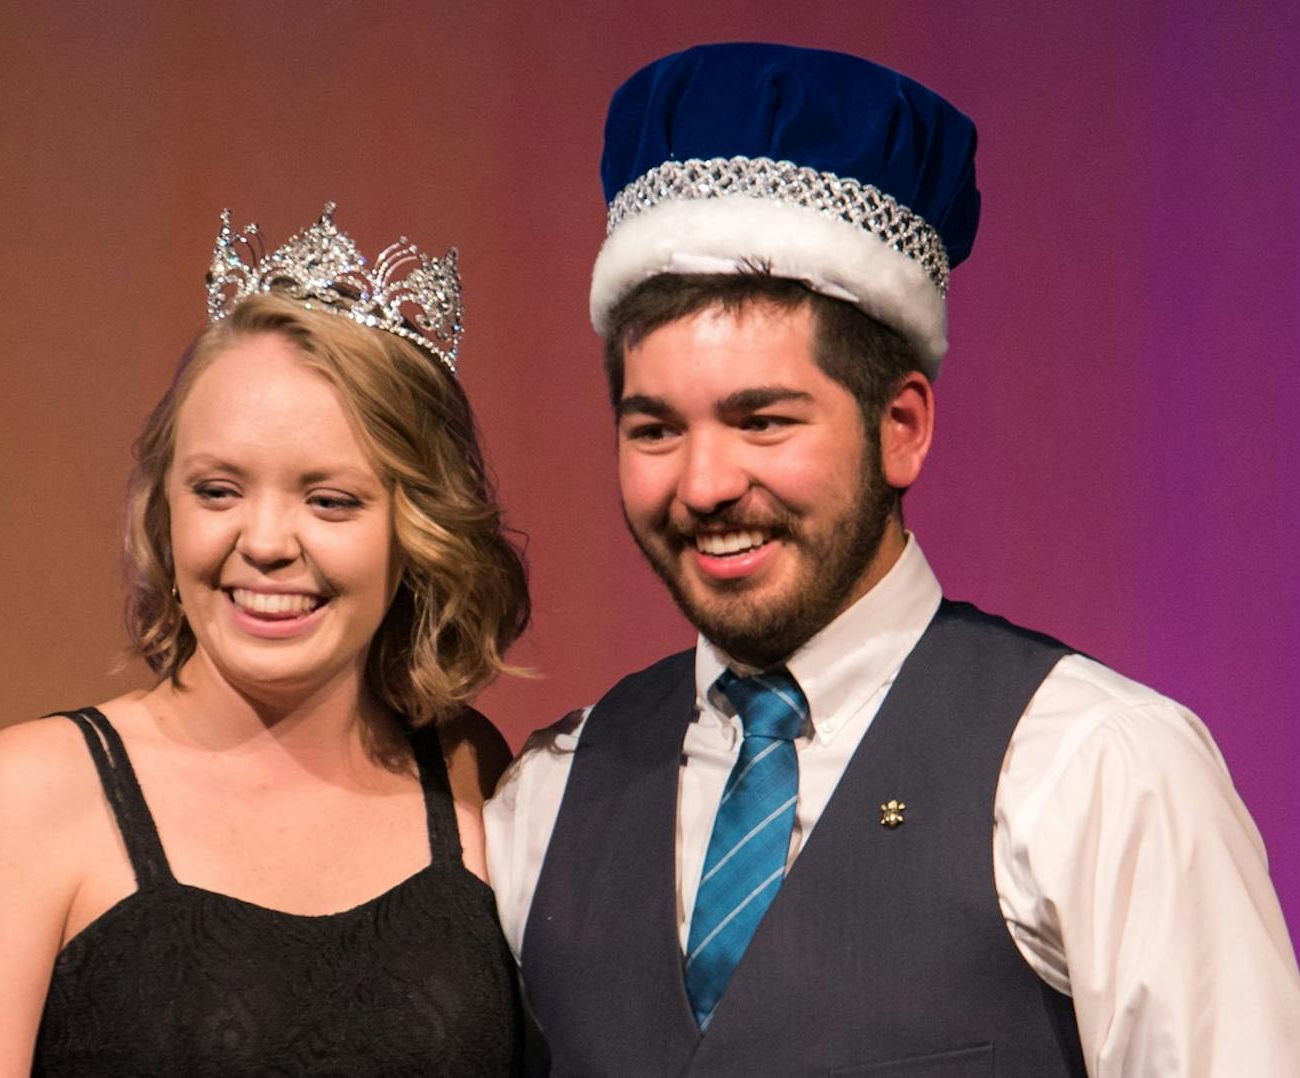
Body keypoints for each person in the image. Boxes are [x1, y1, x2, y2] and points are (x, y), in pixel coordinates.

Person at [485, 43, 1300, 1076]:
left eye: (761, 420)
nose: (700, 483)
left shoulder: (1097, 768)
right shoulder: (548, 795)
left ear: (902, 425)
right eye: (652, 430)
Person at [0, 203, 530, 1075]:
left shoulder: (466, 774)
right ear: (165, 507)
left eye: (330, 499)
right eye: (218, 490)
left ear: (416, 527)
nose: (264, 542)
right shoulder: (36, 792)